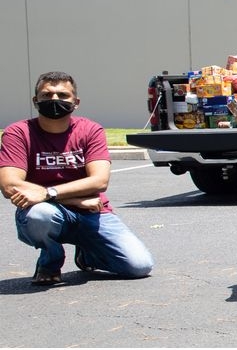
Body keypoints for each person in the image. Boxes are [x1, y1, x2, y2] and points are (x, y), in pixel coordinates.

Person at [1, 71, 154, 286]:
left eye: (63, 95)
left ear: (76, 102)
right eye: (47, 95)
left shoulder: (91, 130)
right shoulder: (18, 132)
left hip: (92, 212)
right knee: (40, 215)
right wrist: (74, 200)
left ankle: (88, 252)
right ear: (36, 101)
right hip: (56, 210)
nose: (54, 100)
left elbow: (99, 181)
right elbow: (10, 185)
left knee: (139, 266)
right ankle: (50, 261)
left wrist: (47, 192)